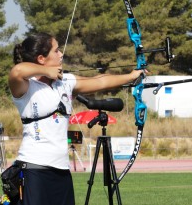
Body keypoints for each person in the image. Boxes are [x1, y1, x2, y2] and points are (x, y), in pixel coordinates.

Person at [8, 32, 145, 205]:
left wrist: (132, 76)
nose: (61, 54)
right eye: (56, 51)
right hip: (34, 169)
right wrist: (47, 71)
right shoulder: (26, 87)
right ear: (42, 58)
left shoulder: (65, 82)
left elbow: (100, 81)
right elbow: (17, 71)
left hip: (62, 171)